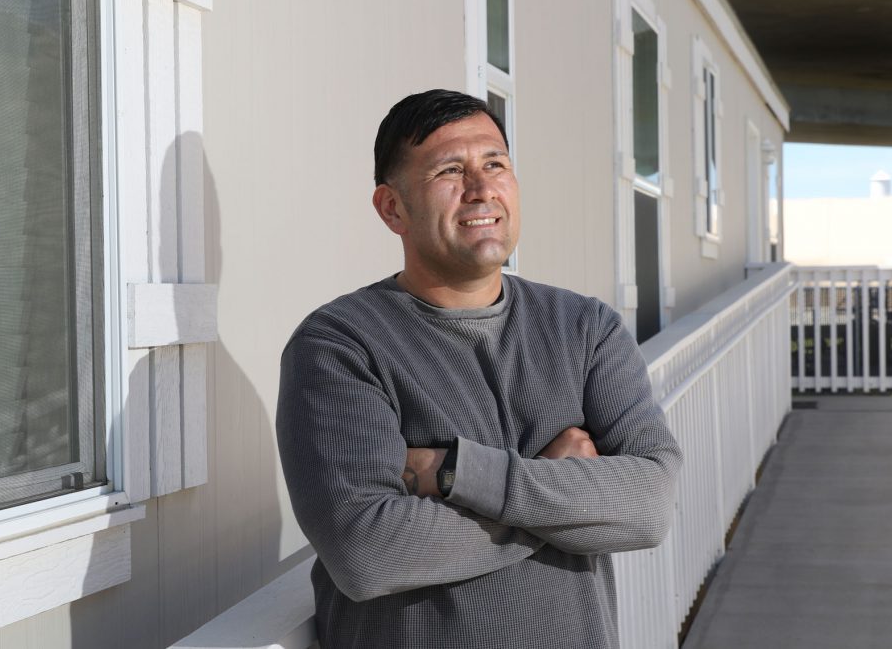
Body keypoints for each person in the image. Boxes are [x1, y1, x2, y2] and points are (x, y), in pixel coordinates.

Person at [276, 89, 682, 648]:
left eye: (495, 164)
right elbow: (366, 551)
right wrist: (559, 492)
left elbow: (650, 504)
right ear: (392, 208)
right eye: (450, 170)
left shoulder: (585, 327)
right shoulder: (341, 344)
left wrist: (455, 472)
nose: (481, 188)